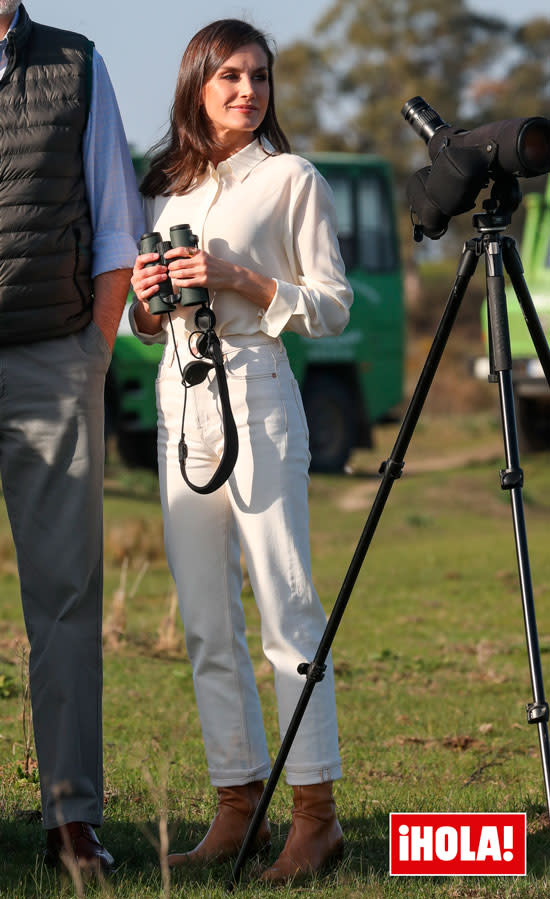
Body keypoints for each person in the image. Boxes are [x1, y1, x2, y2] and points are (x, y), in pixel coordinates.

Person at [130, 18, 353, 884]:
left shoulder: (292, 178)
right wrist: (150, 302)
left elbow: (333, 307)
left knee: (288, 611)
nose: (248, 91)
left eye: (259, 77)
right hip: (177, 397)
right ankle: (237, 803)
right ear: (197, 83)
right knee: (204, 621)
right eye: (229, 76)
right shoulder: (166, 187)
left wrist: (239, 280)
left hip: (259, 392)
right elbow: (143, 327)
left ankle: (315, 814)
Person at [0, 2, 144, 874]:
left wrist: (94, 347)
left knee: (64, 596)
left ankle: (71, 820)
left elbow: (115, 217)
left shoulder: (77, 64)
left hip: (53, 357)